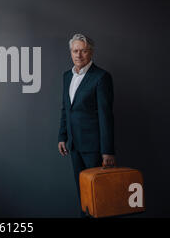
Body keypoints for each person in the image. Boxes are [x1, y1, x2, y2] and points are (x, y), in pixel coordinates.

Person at [57, 33, 116, 217]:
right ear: (71, 52)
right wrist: (62, 136)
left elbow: (106, 116)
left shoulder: (101, 77)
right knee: (83, 195)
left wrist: (107, 151)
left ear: (90, 52)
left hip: (95, 148)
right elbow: (66, 109)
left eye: (83, 51)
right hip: (74, 146)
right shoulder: (67, 76)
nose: (79, 55)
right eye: (75, 51)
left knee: (99, 196)